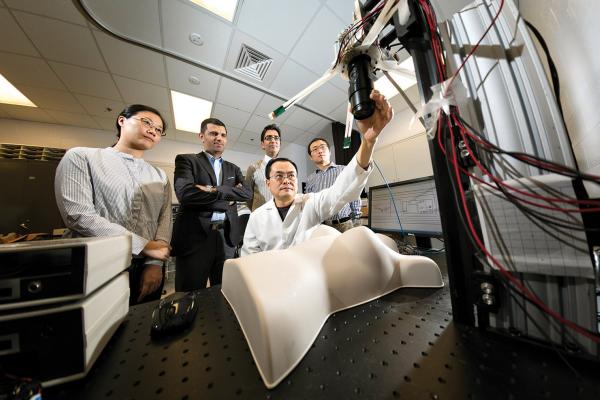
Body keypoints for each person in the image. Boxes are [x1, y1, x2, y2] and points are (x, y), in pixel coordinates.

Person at [242, 90, 392, 255]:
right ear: (268, 183)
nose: (286, 180)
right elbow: (250, 259)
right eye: (279, 176)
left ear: (297, 181)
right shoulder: (257, 217)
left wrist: (369, 141)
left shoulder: (309, 205)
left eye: (291, 175)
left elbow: (341, 190)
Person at [55, 104, 172, 305]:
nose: (153, 130)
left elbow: (165, 219)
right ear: (121, 120)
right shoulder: (82, 157)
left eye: (159, 130)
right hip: (97, 264)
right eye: (146, 122)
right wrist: (143, 246)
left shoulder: (160, 175)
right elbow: (78, 215)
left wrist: (154, 263)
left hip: (145, 268)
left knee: (143, 328)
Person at [171, 118, 251, 291]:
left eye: (223, 135)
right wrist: (228, 197)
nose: (219, 138)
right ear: (202, 136)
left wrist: (214, 190)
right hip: (195, 236)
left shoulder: (233, 169)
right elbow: (185, 194)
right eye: (213, 133)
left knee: (224, 290)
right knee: (189, 292)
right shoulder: (187, 161)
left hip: (226, 237)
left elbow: (247, 193)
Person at [306, 137, 362, 232]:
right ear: (311, 157)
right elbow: (310, 203)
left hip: (344, 225)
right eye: (315, 149)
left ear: (329, 151)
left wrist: (355, 222)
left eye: (323, 147)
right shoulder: (310, 179)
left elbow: (354, 196)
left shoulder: (344, 170)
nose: (319, 151)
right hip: (321, 227)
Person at [245, 124, 281, 211]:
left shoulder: (286, 168)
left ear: (280, 144)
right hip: (260, 220)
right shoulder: (253, 168)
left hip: (282, 219)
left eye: (276, 138)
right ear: (262, 144)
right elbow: (247, 197)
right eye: (268, 138)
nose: (273, 140)